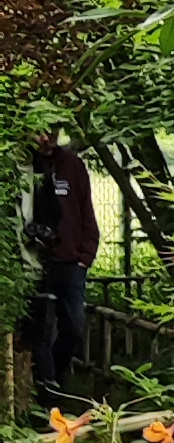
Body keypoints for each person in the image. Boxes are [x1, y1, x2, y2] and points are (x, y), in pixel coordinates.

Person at [24, 131, 99, 408]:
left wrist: (85, 255)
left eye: (53, 131)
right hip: (35, 260)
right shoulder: (23, 163)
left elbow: (86, 211)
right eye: (41, 131)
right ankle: (46, 398)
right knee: (40, 329)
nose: (47, 137)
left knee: (74, 328)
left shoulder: (72, 166)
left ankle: (55, 382)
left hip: (71, 261)